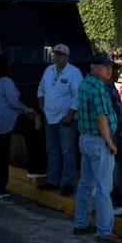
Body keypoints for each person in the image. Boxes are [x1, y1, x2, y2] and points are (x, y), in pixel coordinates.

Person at [72, 54, 122, 243]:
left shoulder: (86, 84)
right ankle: (105, 231)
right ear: (93, 67)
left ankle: (81, 223)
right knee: (103, 188)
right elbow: (101, 116)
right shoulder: (98, 88)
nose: (108, 70)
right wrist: (110, 142)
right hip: (98, 141)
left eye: (109, 66)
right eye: (104, 66)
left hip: (86, 138)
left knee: (86, 183)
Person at [0, 54, 36, 199]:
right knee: (6, 154)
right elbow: (14, 102)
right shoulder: (6, 81)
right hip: (6, 122)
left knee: (0, 155)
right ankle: (33, 166)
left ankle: (0, 186)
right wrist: (27, 110)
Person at [36, 44, 82, 196]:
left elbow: (78, 95)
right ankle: (53, 180)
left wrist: (70, 115)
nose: (57, 57)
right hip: (50, 117)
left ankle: (67, 182)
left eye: (60, 54)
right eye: (55, 54)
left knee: (67, 151)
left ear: (67, 57)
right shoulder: (48, 70)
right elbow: (41, 89)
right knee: (52, 150)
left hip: (65, 119)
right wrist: (42, 105)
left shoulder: (74, 73)